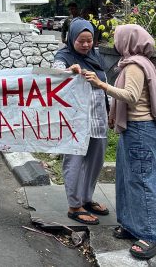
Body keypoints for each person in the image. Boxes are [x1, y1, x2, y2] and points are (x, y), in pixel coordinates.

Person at [81, 25, 156, 260]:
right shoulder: (132, 62)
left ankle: (149, 235)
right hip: (134, 129)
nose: (115, 42)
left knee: (141, 180)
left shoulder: (135, 65)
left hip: (140, 129)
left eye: (117, 38)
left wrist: (101, 85)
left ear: (128, 40)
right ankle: (131, 225)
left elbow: (131, 96)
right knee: (125, 179)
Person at [52, 18, 109, 225]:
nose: (86, 45)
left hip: (98, 117)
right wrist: (69, 72)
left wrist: (110, 111)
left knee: (95, 160)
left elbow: (104, 83)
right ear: (71, 39)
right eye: (81, 41)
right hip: (75, 119)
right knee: (75, 161)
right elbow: (54, 75)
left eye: (89, 40)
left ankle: (86, 198)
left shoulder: (95, 55)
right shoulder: (64, 56)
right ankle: (74, 205)